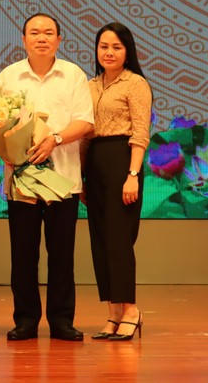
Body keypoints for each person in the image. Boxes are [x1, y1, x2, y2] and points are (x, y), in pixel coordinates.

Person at [0, 13, 94, 341]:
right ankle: (25, 320)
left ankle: (62, 321)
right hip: (21, 181)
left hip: (63, 180)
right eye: (35, 33)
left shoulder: (73, 75)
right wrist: (7, 147)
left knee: (62, 255)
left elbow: (85, 121)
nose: (42, 38)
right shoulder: (8, 77)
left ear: (59, 40)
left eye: (49, 33)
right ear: (23, 39)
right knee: (23, 254)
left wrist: (55, 139)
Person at [84, 22, 151, 341]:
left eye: (116, 47)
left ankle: (132, 311)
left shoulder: (135, 83)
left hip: (123, 161)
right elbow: (85, 133)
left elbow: (140, 132)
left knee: (119, 240)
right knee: (100, 241)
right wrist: (82, 177)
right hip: (94, 162)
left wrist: (133, 175)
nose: (109, 52)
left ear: (127, 51)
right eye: (104, 46)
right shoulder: (90, 85)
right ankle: (113, 312)